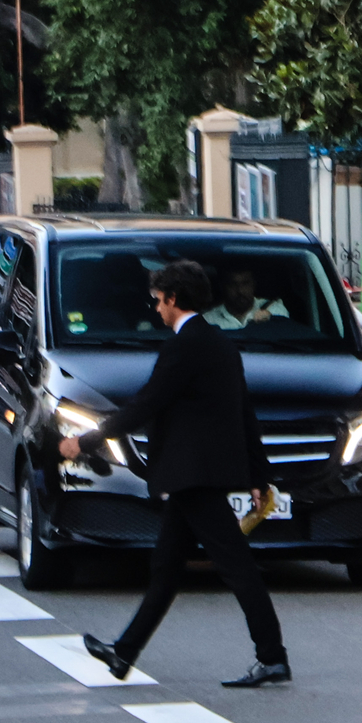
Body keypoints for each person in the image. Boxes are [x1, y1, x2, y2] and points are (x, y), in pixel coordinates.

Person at [58, 260, 289, 687]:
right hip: (198, 474)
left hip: (192, 475)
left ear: (174, 299)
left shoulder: (183, 347)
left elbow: (146, 405)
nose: (156, 310)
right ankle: (123, 653)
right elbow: (244, 411)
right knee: (165, 568)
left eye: (159, 301)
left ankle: (272, 656)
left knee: (237, 566)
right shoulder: (220, 343)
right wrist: (259, 474)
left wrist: (83, 441)